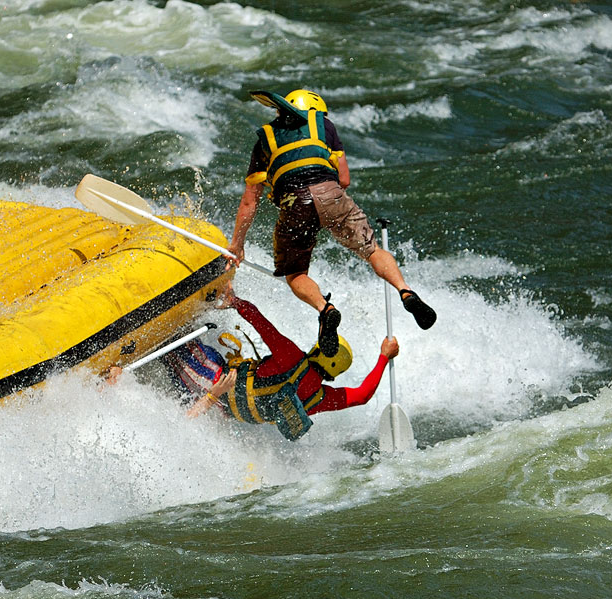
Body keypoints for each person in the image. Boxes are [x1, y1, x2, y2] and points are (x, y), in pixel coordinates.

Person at [227, 88, 436, 358]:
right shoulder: (324, 126)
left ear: (281, 110)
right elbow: (344, 179)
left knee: (296, 275)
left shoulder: (264, 140)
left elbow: (249, 202)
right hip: (331, 194)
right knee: (373, 251)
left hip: (294, 203)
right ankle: (406, 291)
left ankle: (325, 310)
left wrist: (237, 245)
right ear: (315, 112)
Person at [164, 285, 399, 441]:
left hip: (211, 378)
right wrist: (384, 358)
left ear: (319, 350)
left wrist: (235, 301)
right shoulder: (318, 399)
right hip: (219, 409)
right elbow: (362, 396)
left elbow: (260, 322)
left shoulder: (292, 358)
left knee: (168, 341)